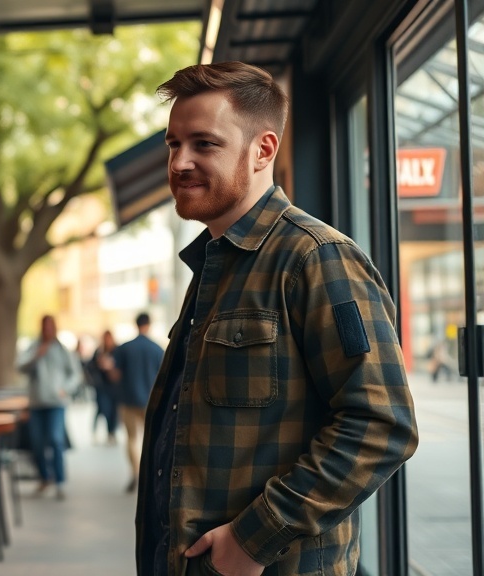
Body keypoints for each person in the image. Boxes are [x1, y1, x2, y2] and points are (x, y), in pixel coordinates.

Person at [135, 61, 418, 576]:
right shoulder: (213, 266)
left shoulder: (317, 259)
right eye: (173, 144)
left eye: (205, 143)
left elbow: (381, 424)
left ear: (264, 149)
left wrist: (253, 538)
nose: (179, 162)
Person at [17, 314, 78, 500]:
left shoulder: (62, 350)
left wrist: (65, 390)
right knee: (36, 442)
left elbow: (75, 374)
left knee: (55, 439)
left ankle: (59, 481)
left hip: (56, 404)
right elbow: (19, 366)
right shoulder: (33, 347)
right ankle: (45, 477)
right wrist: (37, 355)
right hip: (36, 403)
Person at [105, 313, 163, 493]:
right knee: (151, 438)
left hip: (128, 399)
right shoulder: (157, 349)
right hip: (151, 400)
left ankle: (135, 472)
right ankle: (151, 474)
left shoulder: (124, 348)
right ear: (149, 324)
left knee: (131, 439)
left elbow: (115, 375)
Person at [87, 330, 120, 445]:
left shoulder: (117, 350)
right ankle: (97, 431)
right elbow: (90, 367)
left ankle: (111, 432)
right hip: (101, 386)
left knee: (113, 411)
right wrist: (99, 364)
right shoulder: (99, 352)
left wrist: (111, 365)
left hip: (114, 387)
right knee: (102, 409)